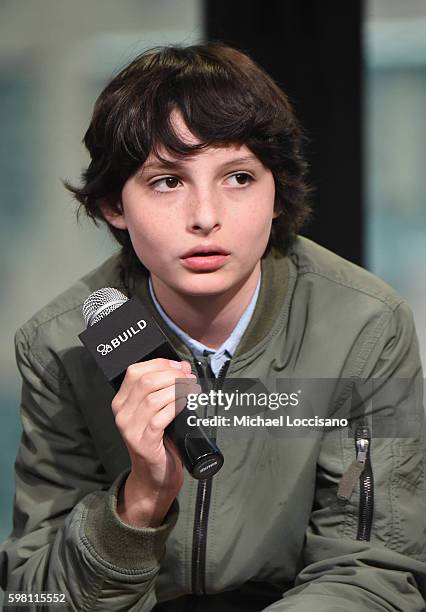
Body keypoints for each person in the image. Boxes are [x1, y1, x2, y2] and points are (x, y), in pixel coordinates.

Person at [1, 43, 425, 611]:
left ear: (278, 194)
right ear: (112, 205)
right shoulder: (60, 344)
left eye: (239, 177)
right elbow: (36, 595)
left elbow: (373, 569)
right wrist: (138, 503)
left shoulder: (366, 326)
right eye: (167, 182)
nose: (206, 216)